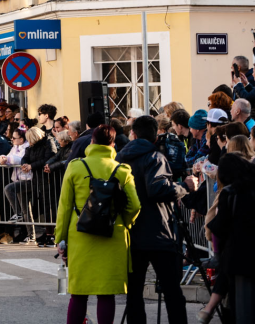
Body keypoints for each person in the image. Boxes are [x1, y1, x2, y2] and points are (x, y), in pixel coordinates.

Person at [55, 124, 141, 324]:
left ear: (91, 141)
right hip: (112, 236)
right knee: (106, 294)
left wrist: (60, 238)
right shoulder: (122, 170)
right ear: (113, 144)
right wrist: (125, 224)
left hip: (80, 235)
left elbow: (65, 206)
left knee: (78, 293)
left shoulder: (76, 166)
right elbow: (134, 205)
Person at [115, 115, 189, 324]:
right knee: (172, 291)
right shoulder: (155, 157)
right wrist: (184, 188)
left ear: (133, 134)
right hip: (159, 232)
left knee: (134, 293)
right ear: (155, 136)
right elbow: (157, 189)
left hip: (131, 233)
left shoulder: (120, 158)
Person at [199, 153, 255, 323]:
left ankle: (210, 308)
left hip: (239, 258)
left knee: (242, 310)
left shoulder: (230, 193)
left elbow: (220, 227)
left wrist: (212, 223)